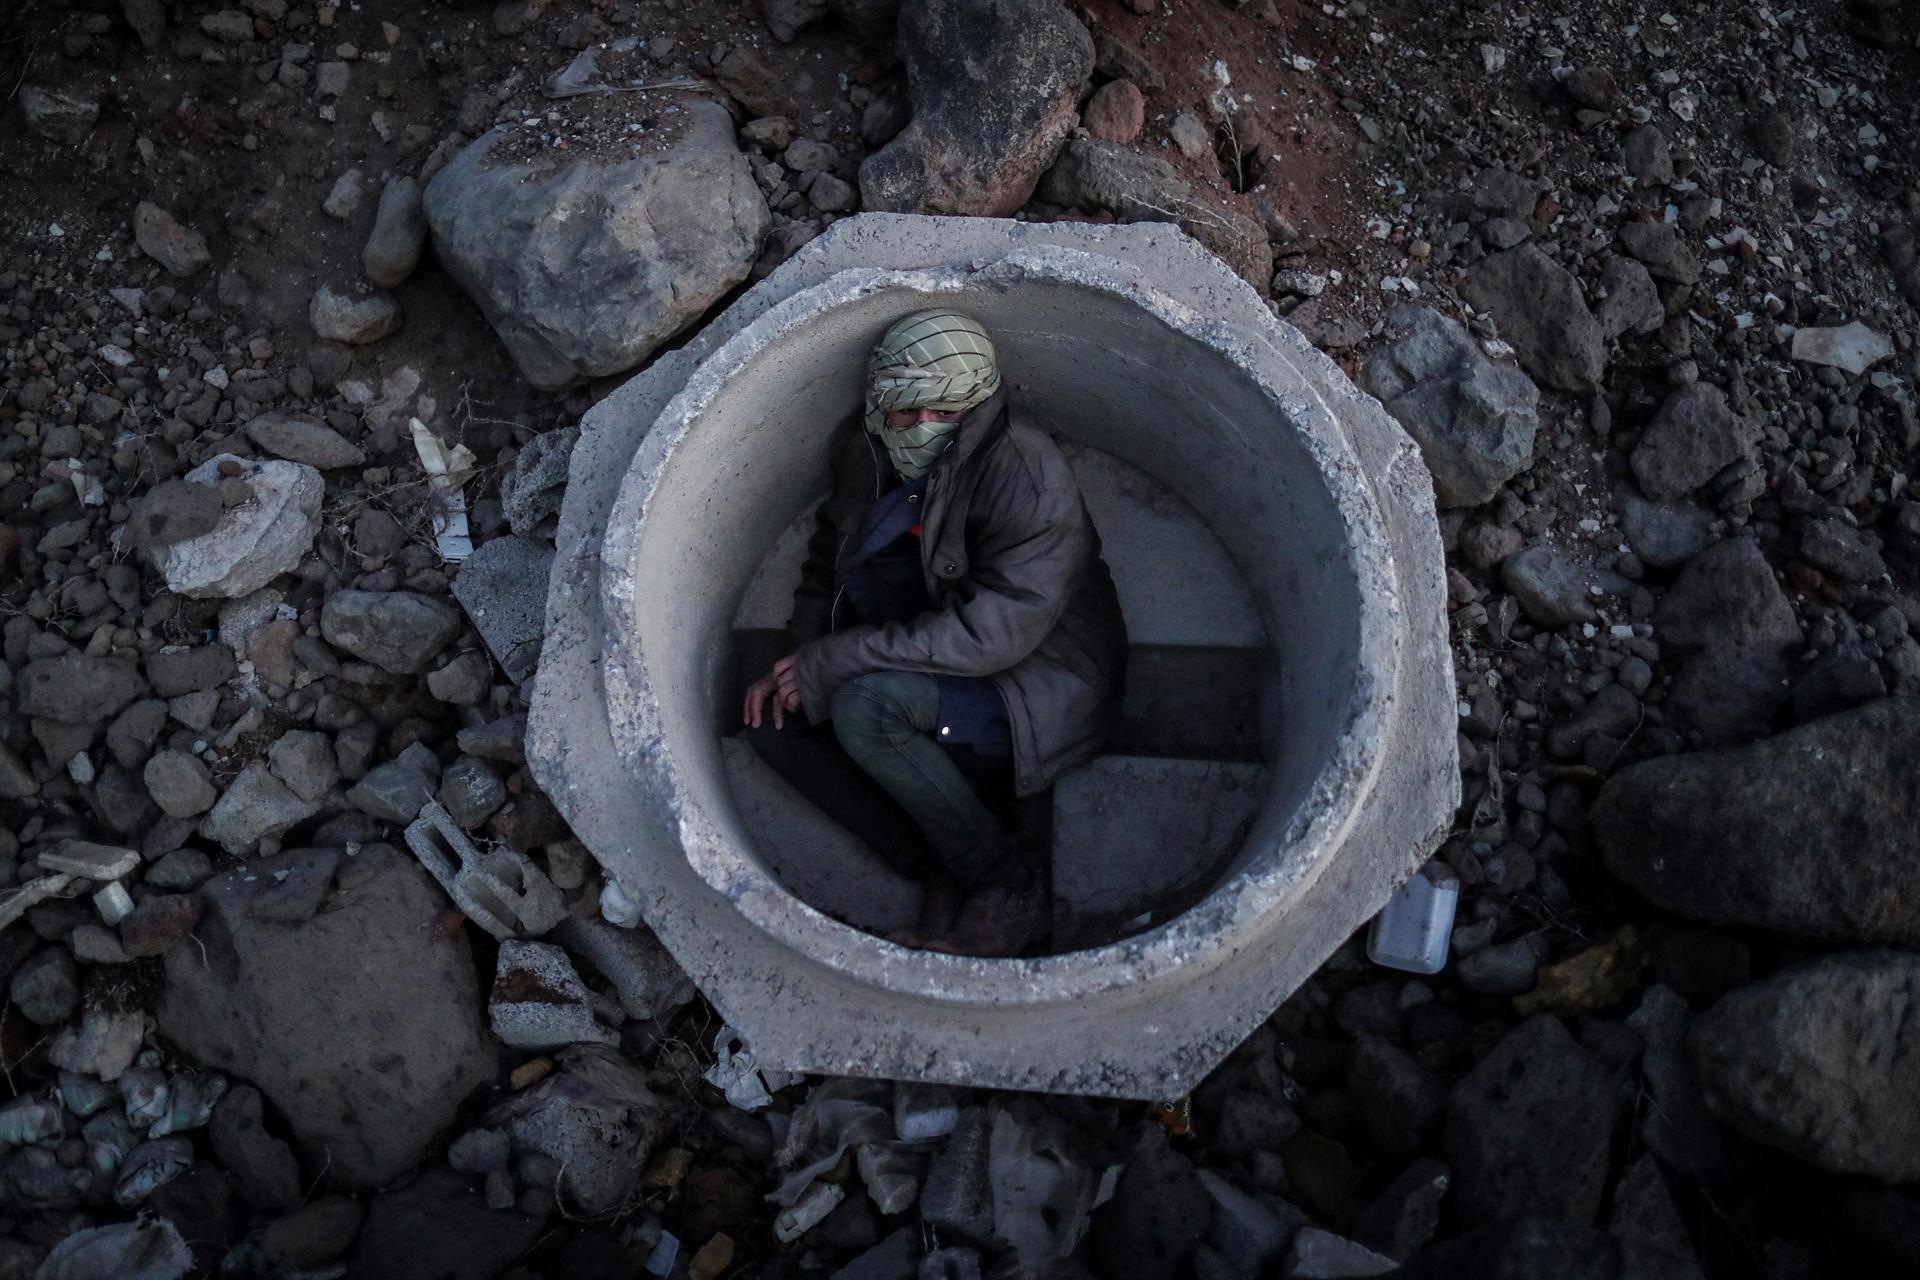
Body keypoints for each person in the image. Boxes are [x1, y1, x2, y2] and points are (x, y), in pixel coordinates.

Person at [742, 308, 1126, 957]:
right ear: (880, 403)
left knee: (868, 709)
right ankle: (942, 863)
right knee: (773, 722)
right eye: (906, 412)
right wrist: (803, 660)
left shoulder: (1026, 475)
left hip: (1034, 680)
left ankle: (1006, 885)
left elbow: (993, 635)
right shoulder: (866, 450)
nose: (923, 427)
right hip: (919, 642)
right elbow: (827, 562)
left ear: (976, 403)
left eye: (944, 412)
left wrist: (838, 661)